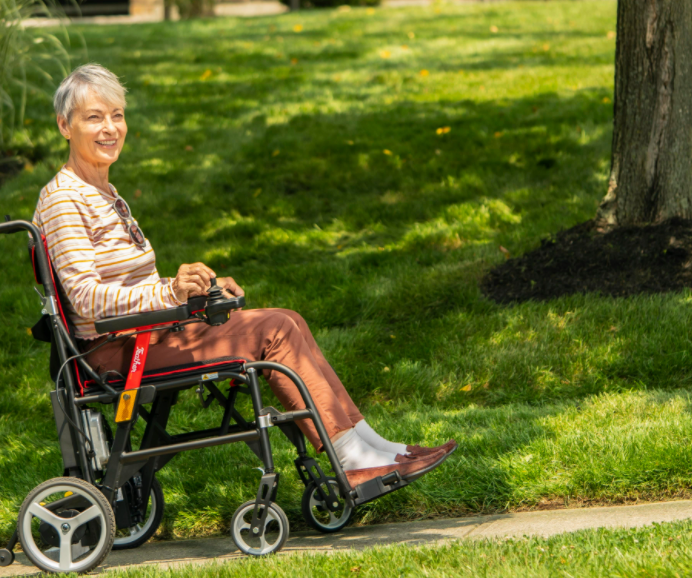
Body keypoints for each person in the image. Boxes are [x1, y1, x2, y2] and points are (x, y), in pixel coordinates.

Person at [33, 64, 456, 489]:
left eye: (117, 115)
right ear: (64, 125)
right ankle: (353, 459)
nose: (110, 128)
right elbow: (87, 298)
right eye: (94, 117)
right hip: (115, 351)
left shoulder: (102, 192)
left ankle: (378, 449)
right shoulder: (64, 199)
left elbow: (127, 284)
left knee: (287, 318)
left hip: (146, 335)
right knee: (273, 331)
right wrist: (171, 291)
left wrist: (197, 293)